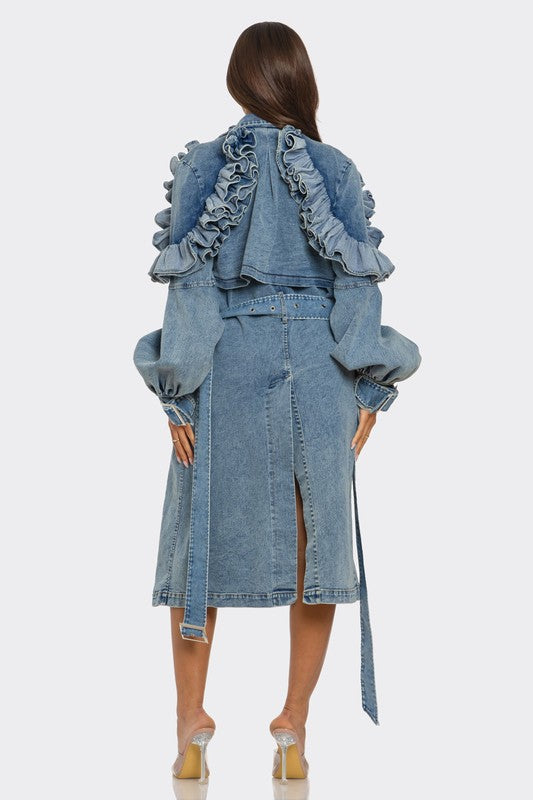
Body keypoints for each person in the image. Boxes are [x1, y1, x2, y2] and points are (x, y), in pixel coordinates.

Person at [133, 20, 422, 784]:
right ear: (299, 79)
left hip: (225, 361)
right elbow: (356, 290)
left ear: (239, 80)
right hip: (320, 369)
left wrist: (177, 393)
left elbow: (191, 293)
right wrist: (369, 385)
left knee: (198, 545)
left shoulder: (204, 165)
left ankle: (190, 722)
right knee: (314, 548)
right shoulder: (333, 167)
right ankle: (292, 725)